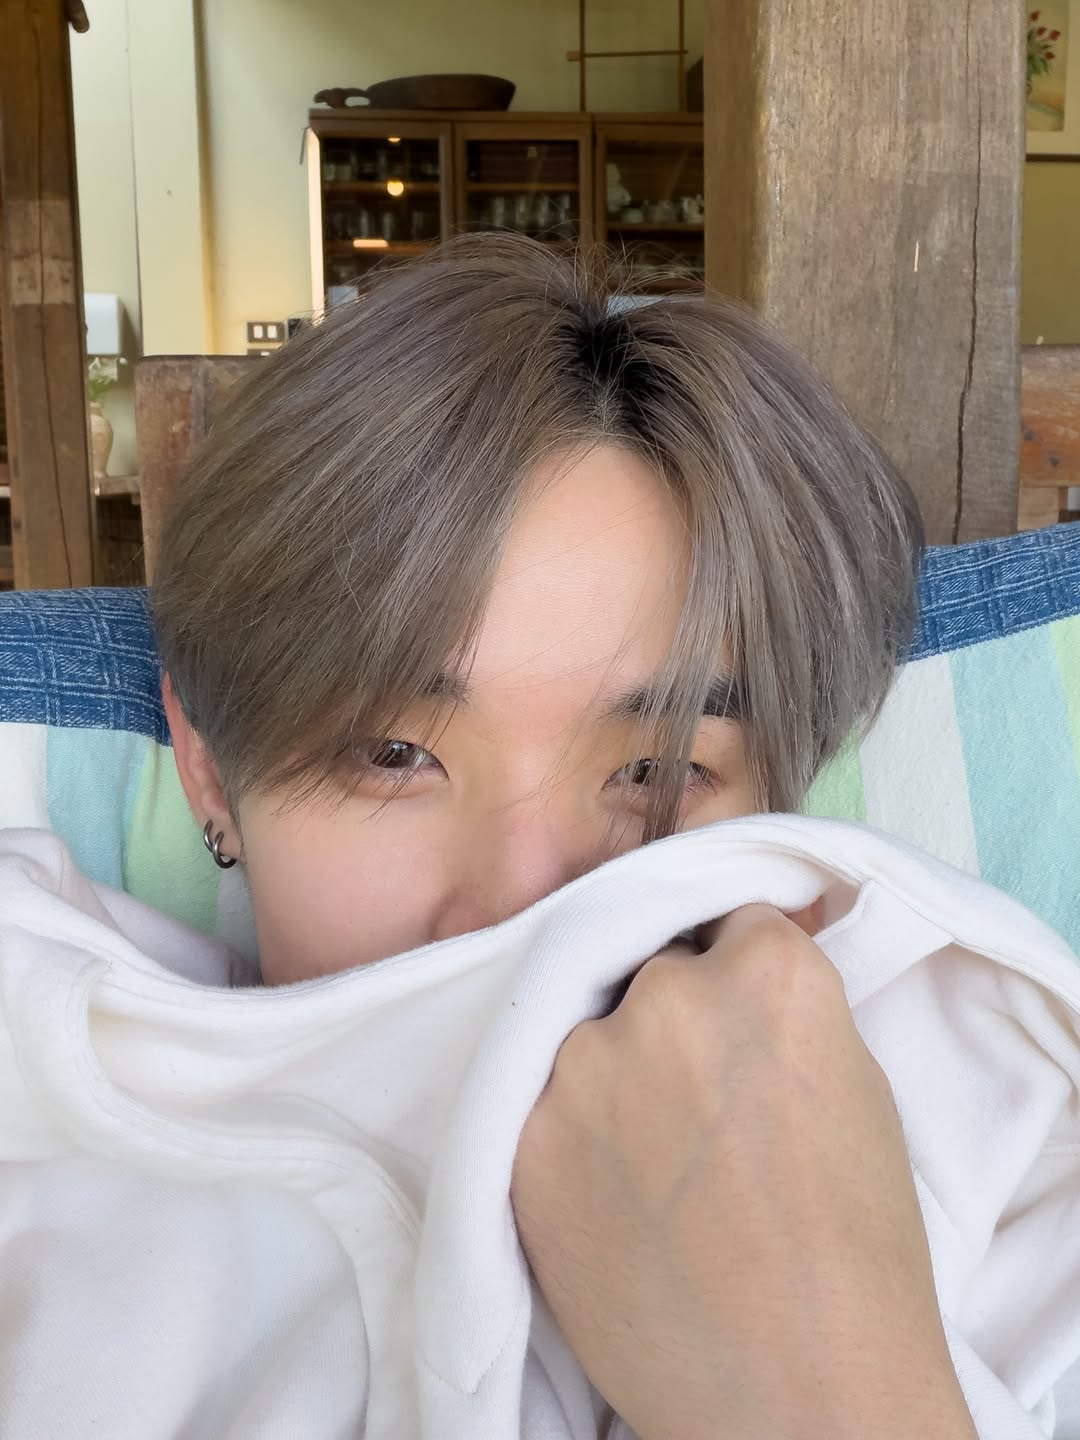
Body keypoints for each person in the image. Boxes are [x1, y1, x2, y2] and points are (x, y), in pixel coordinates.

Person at [144, 234, 982, 1436]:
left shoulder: (982, 1151)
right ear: (207, 769)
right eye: (391, 754)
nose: (523, 905)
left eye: (656, 771)